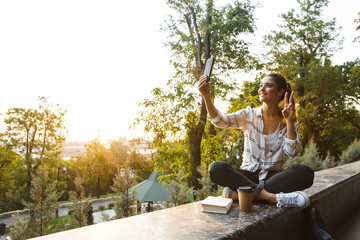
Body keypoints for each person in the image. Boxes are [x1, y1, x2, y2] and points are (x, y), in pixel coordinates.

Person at [198, 73, 314, 208]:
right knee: (216, 168)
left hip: (274, 176)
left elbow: (293, 152)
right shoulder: (249, 114)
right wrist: (206, 96)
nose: (262, 89)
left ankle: (239, 194)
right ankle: (272, 197)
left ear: (280, 92)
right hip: (248, 175)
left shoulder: (288, 119)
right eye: (261, 85)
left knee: (306, 173)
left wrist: (289, 120)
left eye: (268, 86)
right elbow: (221, 121)